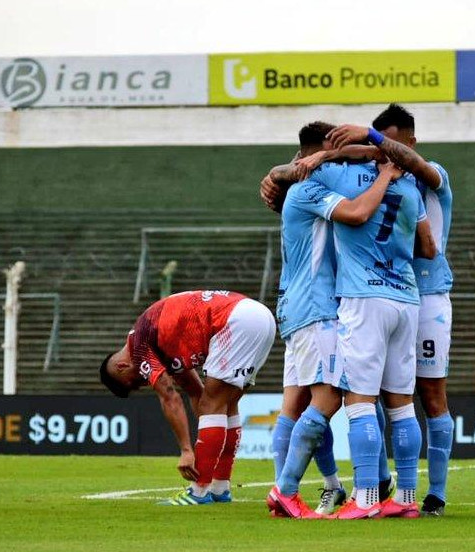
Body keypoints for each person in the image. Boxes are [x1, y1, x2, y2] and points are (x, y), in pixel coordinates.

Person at [266, 124, 406, 519]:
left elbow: (365, 154)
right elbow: (359, 213)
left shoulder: (309, 178)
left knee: (296, 403)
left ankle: (358, 484)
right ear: (326, 147)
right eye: (339, 145)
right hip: (317, 307)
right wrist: (384, 177)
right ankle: (287, 490)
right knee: (331, 397)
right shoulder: (309, 188)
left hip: (301, 306)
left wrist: (334, 157)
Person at [325, 104, 455, 516]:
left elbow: (406, 161)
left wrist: (371, 140)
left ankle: (435, 492)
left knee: (429, 395)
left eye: (394, 142)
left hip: (428, 295)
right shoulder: (385, 175)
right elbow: (376, 157)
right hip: (400, 293)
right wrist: (362, 145)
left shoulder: (430, 173)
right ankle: (385, 485)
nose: (387, 151)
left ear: (411, 141)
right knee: (384, 395)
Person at [99, 290, 276, 504]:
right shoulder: (161, 341)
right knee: (226, 404)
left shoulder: (139, 346)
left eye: (135, 381)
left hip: (235, 321)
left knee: (213, 403)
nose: (144, 382)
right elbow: (194, 391)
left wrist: (186, 450)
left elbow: (169, 396)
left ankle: (198, 491)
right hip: (259, 317)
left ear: (122, 366)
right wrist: (206, 429)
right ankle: (220, 488)